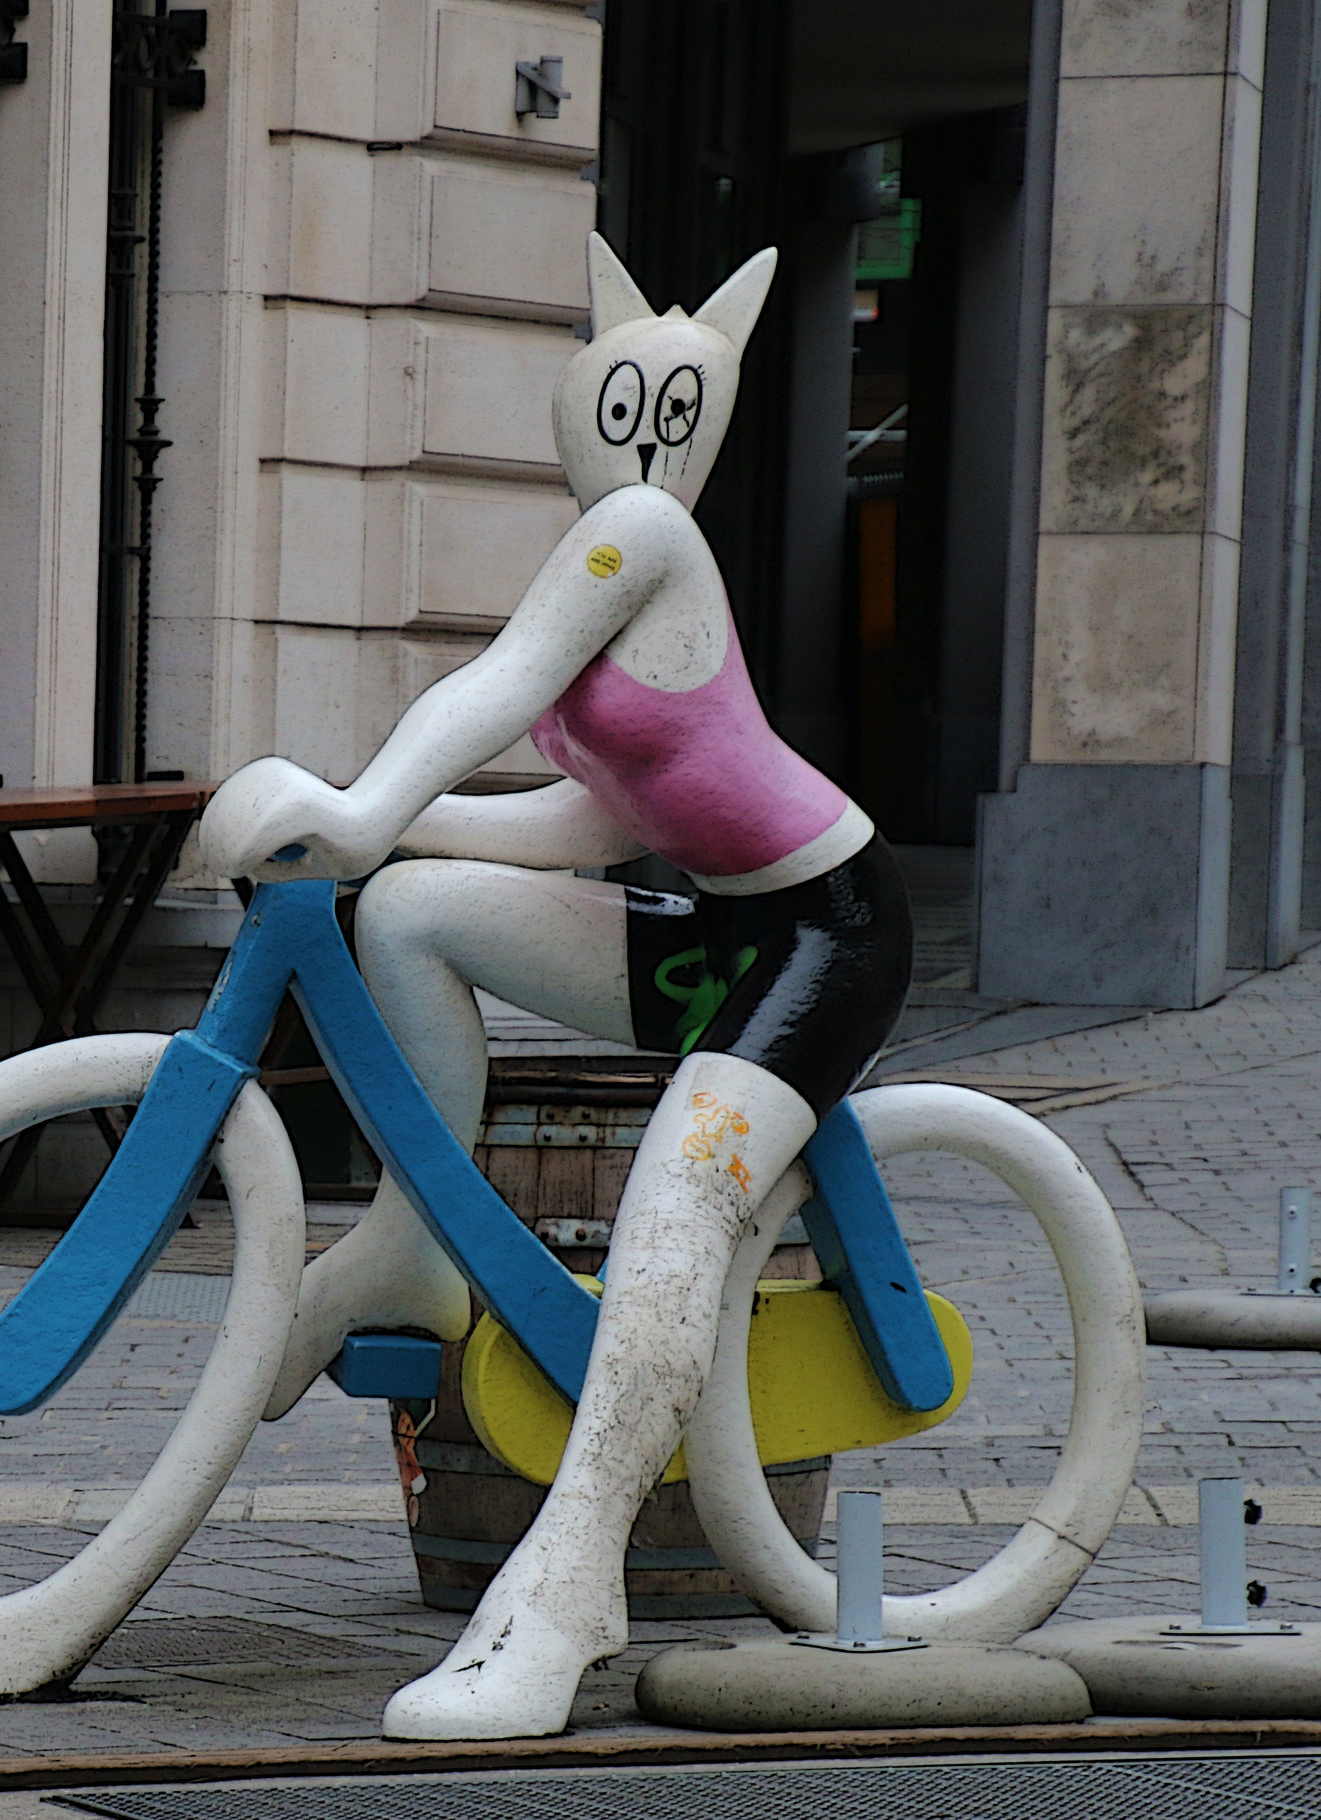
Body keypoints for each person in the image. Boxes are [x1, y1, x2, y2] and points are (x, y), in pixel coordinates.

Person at [200, 234, 913, 1740]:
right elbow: (590, 821)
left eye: (663, 410)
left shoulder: (643, 540)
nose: (638, 434)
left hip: (822, 934)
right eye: (615, 401)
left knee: (675, 1210)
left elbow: (493, 690)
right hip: (706, 927)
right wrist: (371, 829)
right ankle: (411, 1245)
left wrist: (370, 799)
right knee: (412, 919)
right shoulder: (624, 579)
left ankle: (575, 1586)